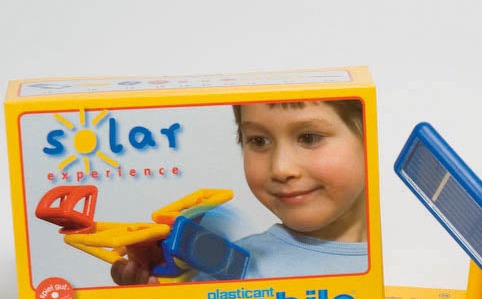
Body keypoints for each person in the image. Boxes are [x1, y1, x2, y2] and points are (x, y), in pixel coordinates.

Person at [111, 98, 368, 285]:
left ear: (370, 135)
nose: (281, 168)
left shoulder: (392, 260)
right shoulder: (227, 274)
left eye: (309, 137)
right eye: (258, 140)